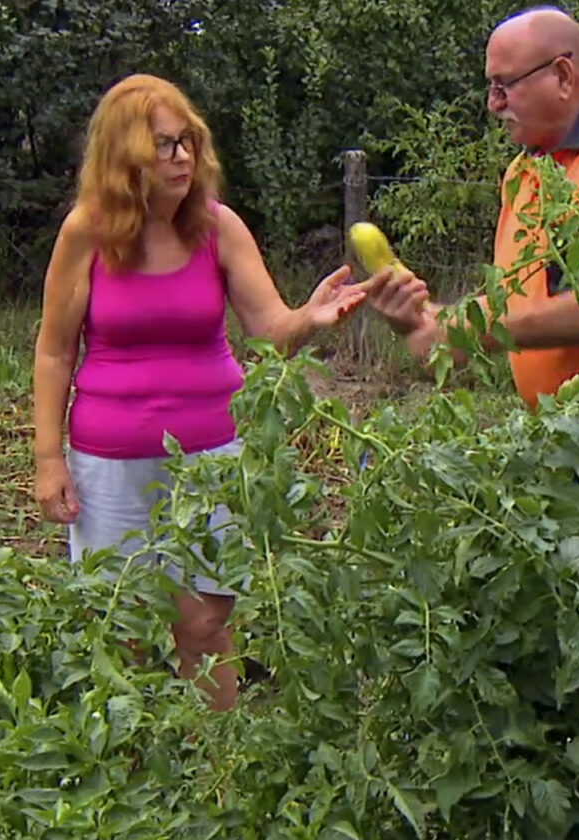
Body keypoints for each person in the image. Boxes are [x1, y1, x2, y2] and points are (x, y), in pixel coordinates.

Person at [32, 73, 372, 710]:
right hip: (110, 462)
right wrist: (48, 459)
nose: (182, 156)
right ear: (124, 153)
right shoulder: (89, 232)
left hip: (211, 461)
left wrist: (310, 316)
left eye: (187, 141)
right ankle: (131, 781)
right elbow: (54, 351)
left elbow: (270, 329)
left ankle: (217, 772)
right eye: (163, 145)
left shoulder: (218, 228)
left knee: (207, 626)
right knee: (122, 628)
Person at [368, 7, 579, 559]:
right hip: (560, 439)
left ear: (562, 75)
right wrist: (427, 321)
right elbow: (518, 302)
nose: (493, 104)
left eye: (504, 85)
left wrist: (470, 332)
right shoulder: (526, 173)